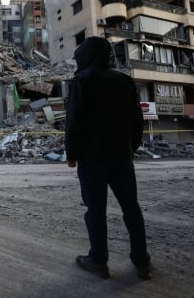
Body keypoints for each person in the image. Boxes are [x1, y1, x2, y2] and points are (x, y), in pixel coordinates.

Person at [65, 36, 151, 280]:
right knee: (131, 208)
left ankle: (98, 260)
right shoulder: (124, 80)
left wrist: (72, 154)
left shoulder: (82, 80)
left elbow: (74, 122)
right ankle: (142, 262)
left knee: (96, 209)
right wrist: (130, 148)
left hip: (92, 159)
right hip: (122, 157)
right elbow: (137, 121)